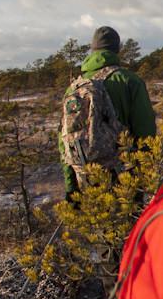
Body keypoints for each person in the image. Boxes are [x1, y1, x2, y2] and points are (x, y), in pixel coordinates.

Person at [60, 25, 157, 199]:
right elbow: (146, 132)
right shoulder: (129, 81)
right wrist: (146, 176)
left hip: (84, 178)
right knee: (129, 225)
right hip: (123, 178)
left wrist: (70, 186)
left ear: (93, 49)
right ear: (117, 49)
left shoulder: (73, 88)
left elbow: (64, 139)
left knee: (95, 225)